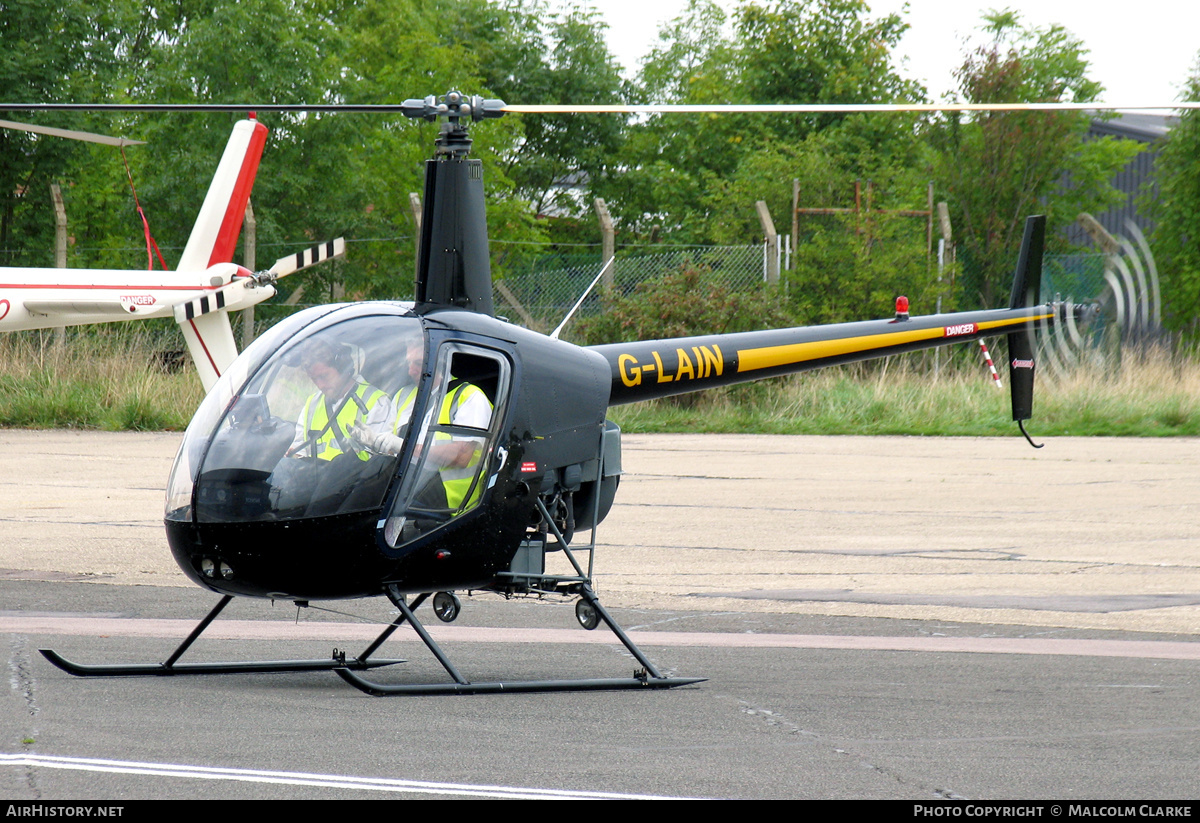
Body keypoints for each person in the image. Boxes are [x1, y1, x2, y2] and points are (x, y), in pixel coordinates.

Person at [288, 338, 393, 462]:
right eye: (314, 379)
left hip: (359, 480)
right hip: (314, 479)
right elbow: (299, 451)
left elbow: (381, 462)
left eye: (324, 376)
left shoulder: (376, 402)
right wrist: (294, 456)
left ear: (344, 368)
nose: (320, 385)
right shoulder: (311, 405)